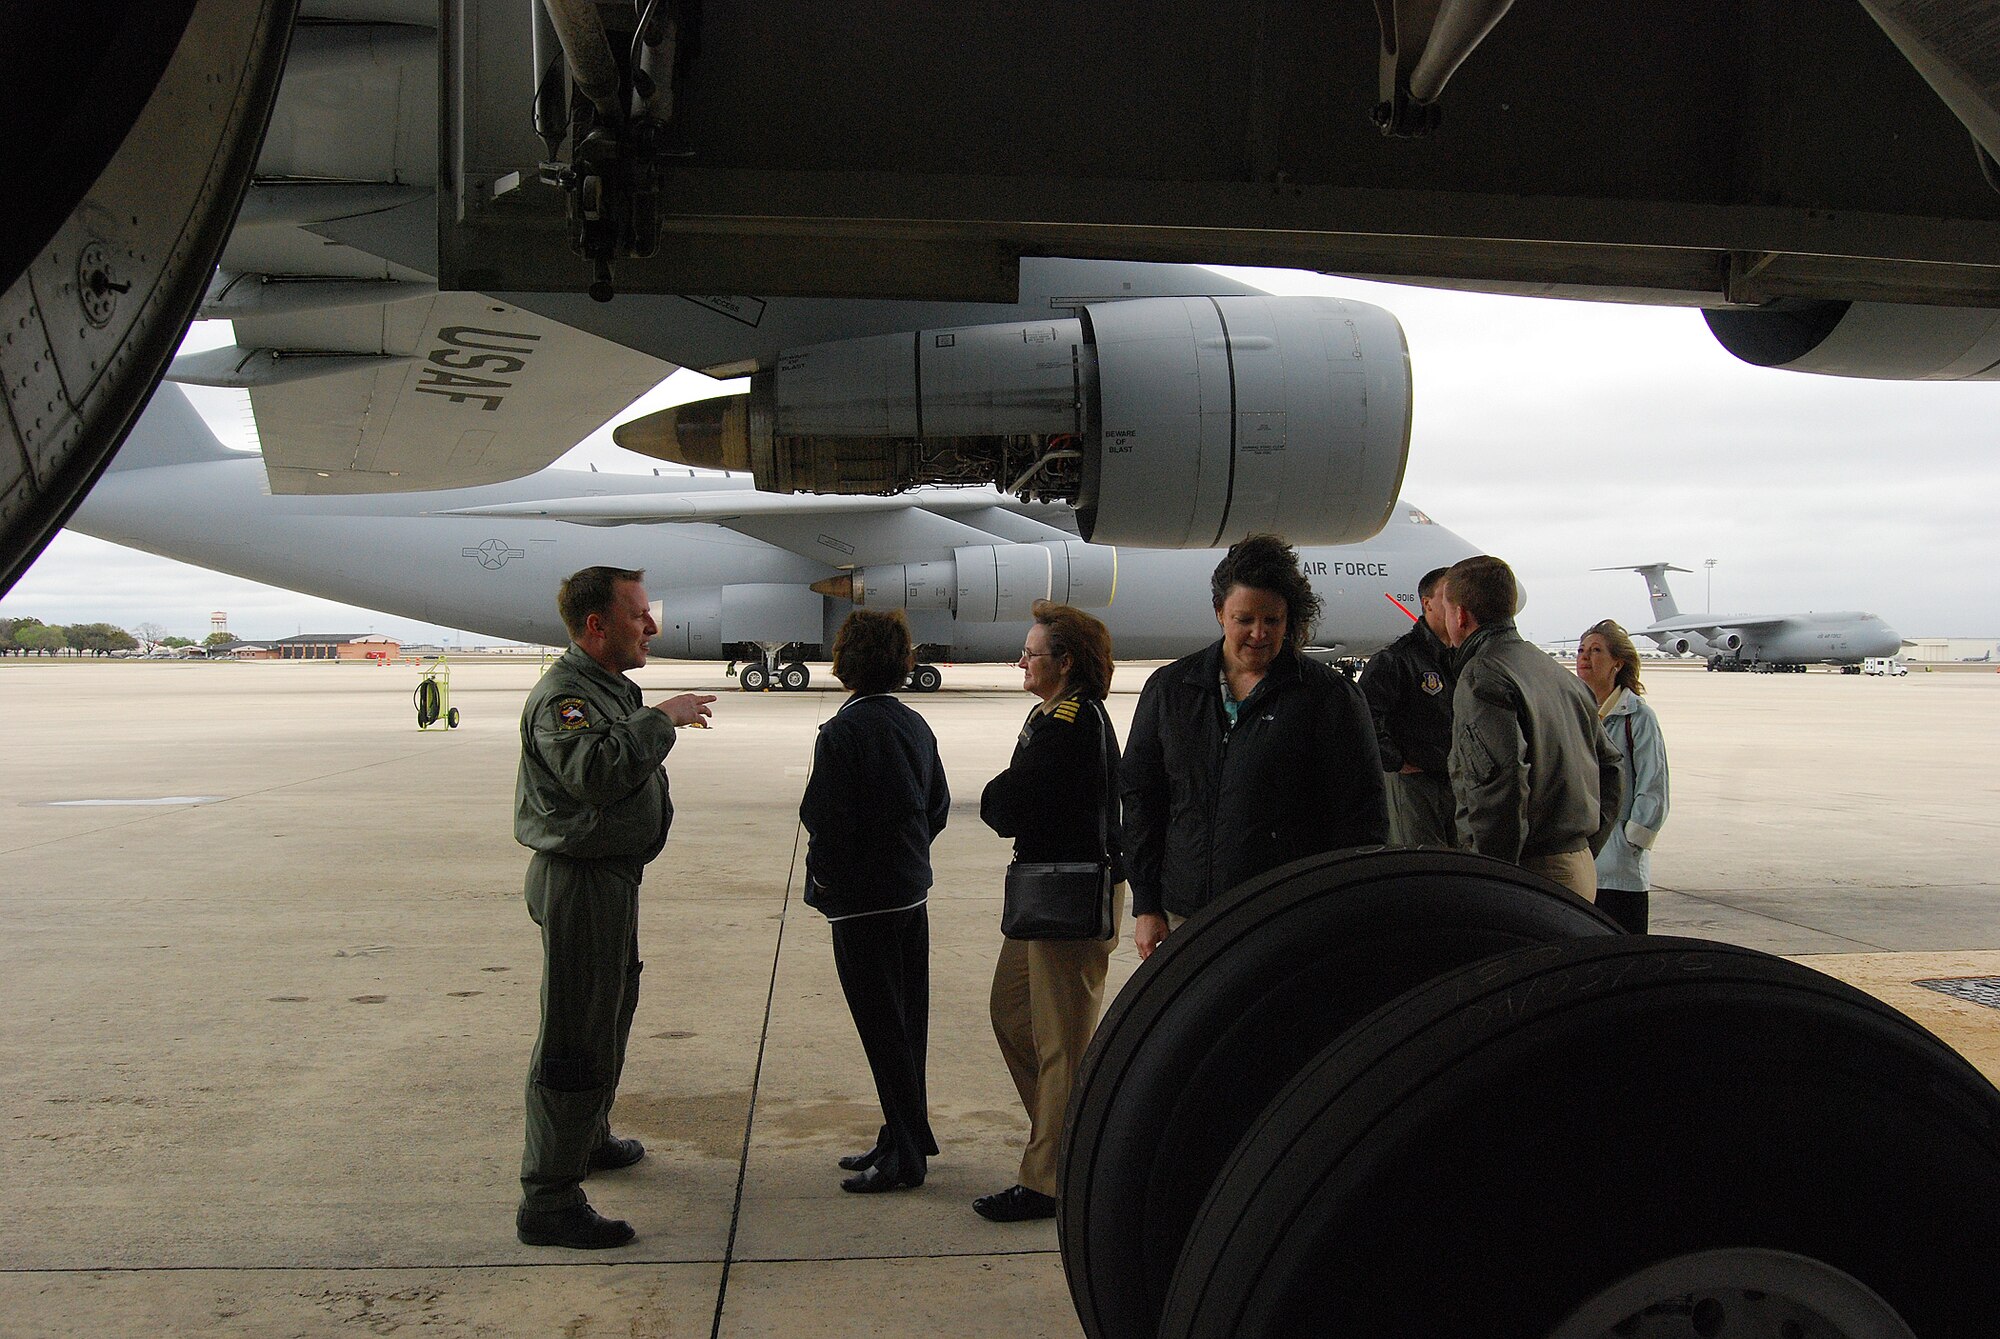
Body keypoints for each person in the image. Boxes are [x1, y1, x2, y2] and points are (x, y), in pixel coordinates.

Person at [514, 566, 716, 1250]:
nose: (652, 626)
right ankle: (550, 1198)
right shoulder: (565, 698)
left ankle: (588, 1137)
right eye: (638, 615)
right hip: (580, 880)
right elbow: (594, 773)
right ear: (597, 626)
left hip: (608, 877)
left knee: (608, 1009)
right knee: (576, 1029)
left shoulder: (605, 688)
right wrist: (662, 718)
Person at [1122, 534, 1388, 960]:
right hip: (1186, 916)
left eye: (1273, 620)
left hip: (1287, 918)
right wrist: (1147, 903)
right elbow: (1141, 799)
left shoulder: (1329, 697)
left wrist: (1337, 909)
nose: (1259, 633)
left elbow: (1361, 815)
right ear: (1219, 613)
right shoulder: (1170, 690)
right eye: (1244, 619)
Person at [976, 601, 1125, 1222]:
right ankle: (1069, 1142)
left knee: (1062, 1041)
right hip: (1045, 893)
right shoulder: (1052, 716)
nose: (1021, 662)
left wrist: (995, 793)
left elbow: (1008, 804)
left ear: (1064, 663)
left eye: (1031, 653)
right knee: (1013, 1014)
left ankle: (1051, 1181)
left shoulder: (1069, 722)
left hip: (1070, 896)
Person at [799, 610, 950, 1193]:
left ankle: (905, 1156)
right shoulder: (914, 724)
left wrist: (827, 881)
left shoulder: (841, 732)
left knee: (881, 1030)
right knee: (908, 1025)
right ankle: (904, 1132)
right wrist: (907, 854)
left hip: (861, 903)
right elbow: (937, 805)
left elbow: (824, 818)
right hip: (909, 893)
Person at [1436, 555, 1622, 899]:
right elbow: (1611, 766)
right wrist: (1583, 845)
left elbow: (1498, 787)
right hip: (1577, 865)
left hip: (1532, 873)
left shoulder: (1483, 675)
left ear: (1460, 615)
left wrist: (1495, 879)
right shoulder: (1558, 674)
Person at [1576, 619, 1671, 932]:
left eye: (1595, 650)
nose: (1584, 657)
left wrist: (1631, 842)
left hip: (1619, 870)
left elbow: (1654, 785)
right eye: (1581, 650)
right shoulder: (1572, 710)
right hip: (1577, 863)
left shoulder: (1638, 716)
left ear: (1617, 663)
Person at [1358, 565, 1459, 847]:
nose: (1458, 604)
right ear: (1427, 603)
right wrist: (1396, 761)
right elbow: (1364, 718)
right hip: (1415, 783)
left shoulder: (1463, 659)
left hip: (1455, 781)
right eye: (1449, 596)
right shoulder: (1396, 660)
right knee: (1422, 860)